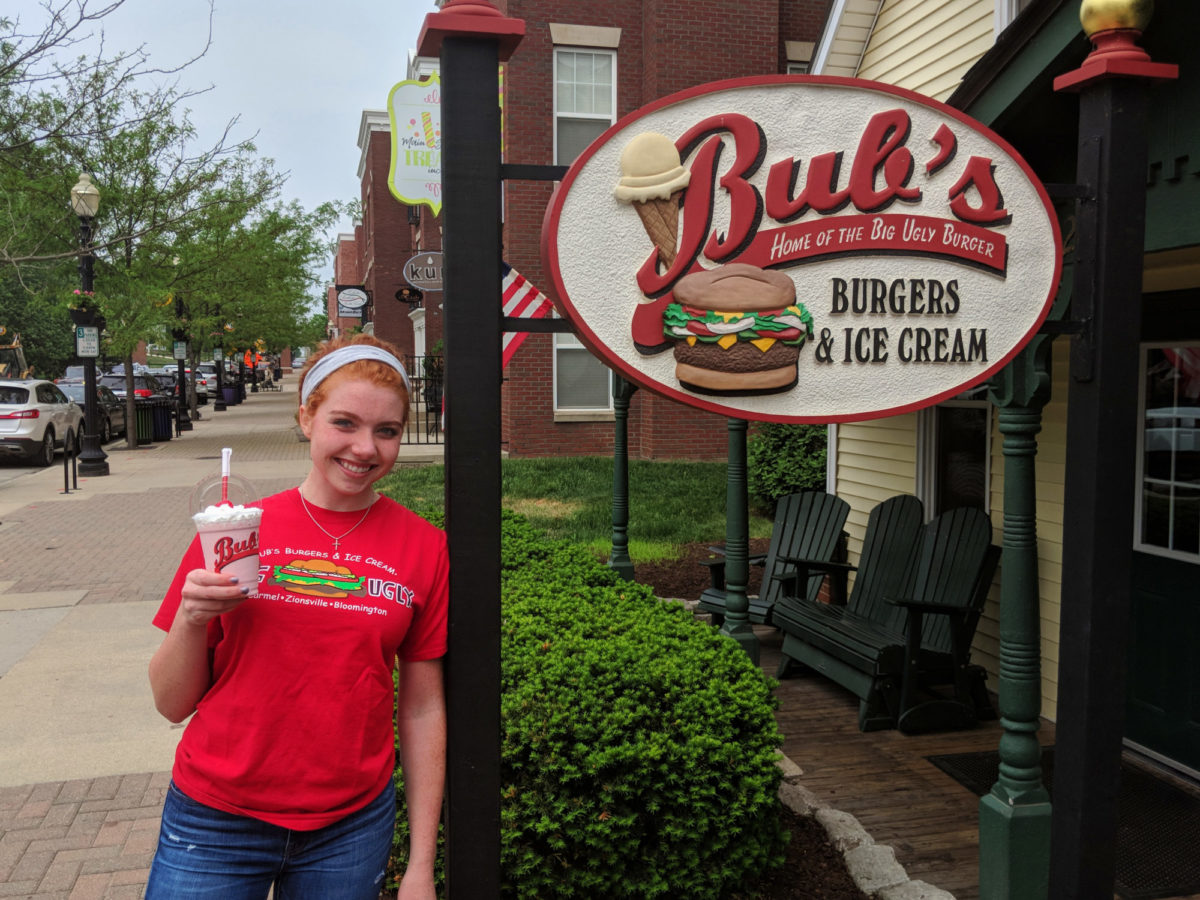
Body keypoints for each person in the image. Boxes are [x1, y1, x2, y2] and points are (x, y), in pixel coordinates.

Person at [147, 333, 446, 900]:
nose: (365, 448)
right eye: (345, 423)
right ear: (306, 417)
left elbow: (424, 706)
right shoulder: (235, 528)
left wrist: (420, 867)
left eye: (386, 431)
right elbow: (170, 703)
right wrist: (190, 618)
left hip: (351, 826)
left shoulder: (424, 548)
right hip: (216, 817)